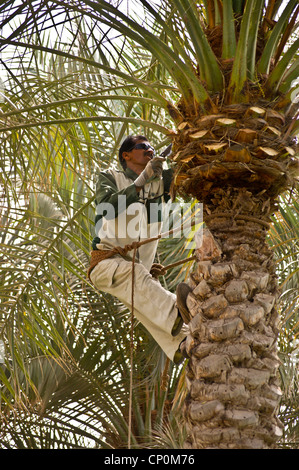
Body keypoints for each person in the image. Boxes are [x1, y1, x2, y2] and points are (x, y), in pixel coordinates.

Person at [88, 135, 191, 363]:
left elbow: (186, 166)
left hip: (136, 269)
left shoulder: (160, 181)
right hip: (105, 263)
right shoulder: (111, 177)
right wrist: (141, 181)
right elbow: (106, 208)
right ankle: (178, 311)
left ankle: (183, 344)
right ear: (126, 155)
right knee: (136, 275)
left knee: (145, 308)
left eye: (152, 148)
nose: (150, 150)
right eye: (143, 147)